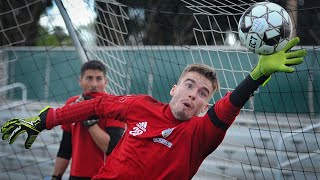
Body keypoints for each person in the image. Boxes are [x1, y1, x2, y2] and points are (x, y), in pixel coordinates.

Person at [1, 37, 306, 179]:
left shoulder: (198, 134)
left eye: (202, 93)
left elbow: (228, 107)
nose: (192, 94)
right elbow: (97, 104)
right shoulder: (140, 105)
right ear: (175, 88)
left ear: (204, 106)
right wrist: (46, 120)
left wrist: (257, 75)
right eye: (189, 85)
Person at [51, 60, 125, 180]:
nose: (94, 84)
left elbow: (112, 149)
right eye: (89, 78)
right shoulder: (72, 104)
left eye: (99, 79)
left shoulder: (115, 105)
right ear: (80, 81)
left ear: (106, 82)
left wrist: (89, 120)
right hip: (76, 176)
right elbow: (65, 149)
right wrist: (55, 177)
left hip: (105, 176)